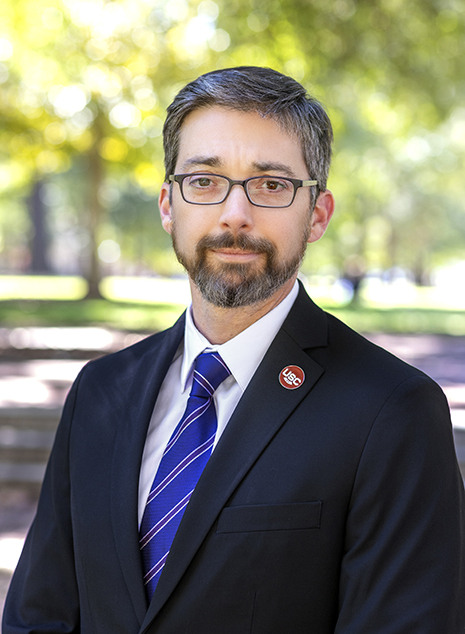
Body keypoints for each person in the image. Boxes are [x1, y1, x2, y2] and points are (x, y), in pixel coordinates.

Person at [3, 66, 465, 633]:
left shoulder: (393, 412)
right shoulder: (100, 393)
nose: (234, 214)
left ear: (317, 215)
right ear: (169, 205)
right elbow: (37, 616)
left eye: (271, 185)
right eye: (204, 180)